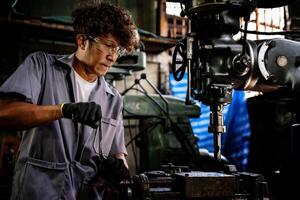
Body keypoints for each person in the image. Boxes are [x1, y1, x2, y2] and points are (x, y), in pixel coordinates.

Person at [0, 1, 138, 199]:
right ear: (82, 41)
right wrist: (63, 110)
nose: (113, 57)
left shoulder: (113, 99)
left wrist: (120, 171)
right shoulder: (41, 67)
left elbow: (118, 153)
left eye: (118, 50)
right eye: (109, 46)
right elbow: (4, 113)